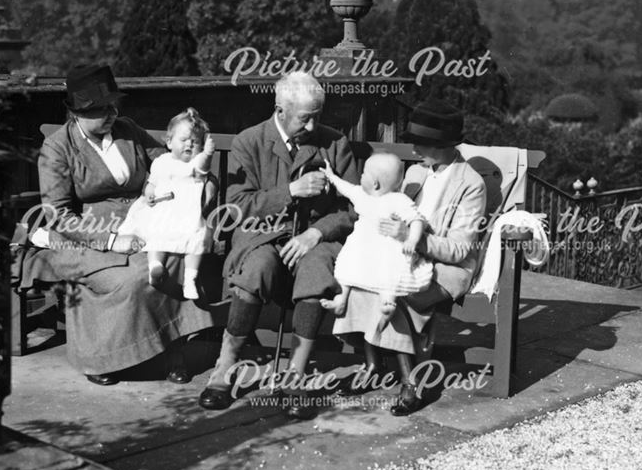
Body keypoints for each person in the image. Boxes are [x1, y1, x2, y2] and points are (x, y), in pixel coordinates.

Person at [17, 64, 215, 385]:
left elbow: (167, 161)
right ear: (77, 113)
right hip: (84, 237)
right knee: (136, 278)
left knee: (175, 258)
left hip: (144, 223)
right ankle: (104, 358)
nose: (110, 114)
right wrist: (111, 240)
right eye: (99, 109)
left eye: (111, 105)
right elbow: (59, 215)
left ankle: (172, 351)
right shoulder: (57, 149)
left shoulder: (127, 130)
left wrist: (187, 180)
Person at [197, 71, 359, 419]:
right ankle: (224, 367)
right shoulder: (249, 142)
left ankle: (295, 376)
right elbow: (236, 206)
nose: (314, 127)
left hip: (314, 240)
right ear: (280, 110)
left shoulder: (335, 144)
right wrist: (290, 192)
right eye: (306, 118)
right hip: (262, 236)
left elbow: (353, 208)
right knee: (257, 267)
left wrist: (316, 233)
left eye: (318, 116)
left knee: (317, 268)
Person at [333, 99, 487, 416]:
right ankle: (373, 364)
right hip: (401, 255)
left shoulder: (471, 184)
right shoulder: (416, 173)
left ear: (441, 144)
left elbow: (460, 249)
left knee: (394, 294)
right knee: (354, 283)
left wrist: (410, 239)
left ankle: (411, 381)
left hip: (447, 268)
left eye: (420, 143)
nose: (414, 150)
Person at [319, 152, 432, 330]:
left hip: (386, 248)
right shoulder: (362, 195)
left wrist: (411, 239)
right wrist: (331, 176)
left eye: (363, 173)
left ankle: (387, 302)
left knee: (390, 271)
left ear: (375, 183)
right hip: (362, 247)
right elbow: (346, 188)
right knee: (347, 265)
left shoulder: (399, 200)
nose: (360, 176)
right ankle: (340, 300)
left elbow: (416, 220)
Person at [117, 108, 215, 299]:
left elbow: (203, 166)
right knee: (156, 235)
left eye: (195, 142)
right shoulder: (161, 161)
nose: (189, 145)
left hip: (187, 214)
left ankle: (190, 279)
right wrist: (149, 193)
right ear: (169, 142)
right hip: (162, 211)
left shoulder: (195, 164)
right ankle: (156, 266)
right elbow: (152, 183)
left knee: (197, 238)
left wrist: (208, 154)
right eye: (184, 140)